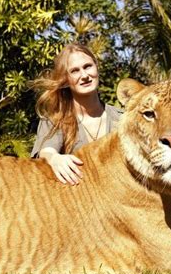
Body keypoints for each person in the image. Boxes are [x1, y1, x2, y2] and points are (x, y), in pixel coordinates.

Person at [30, 43, 122, 185]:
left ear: (96, 67)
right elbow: (46, 153)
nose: (84, 75)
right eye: (74, 71)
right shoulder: (55, 119)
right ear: (65, 80)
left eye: (87, 66)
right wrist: (55, 159)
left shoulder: (121, 118)